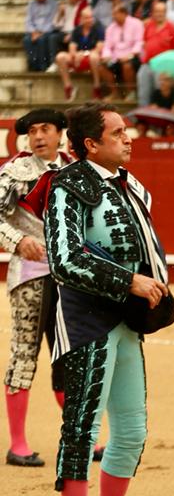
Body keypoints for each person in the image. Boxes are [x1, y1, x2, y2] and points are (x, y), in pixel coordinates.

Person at [45, 105, 169, 496]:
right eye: (118, 133)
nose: (129, 138)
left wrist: (150, 288)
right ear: (91, 144)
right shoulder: (68, 185)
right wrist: (129, 282)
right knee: (80, 430)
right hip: (85, 319)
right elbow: (63, 258)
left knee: (133, 429)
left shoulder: (132, 185)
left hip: (125, 320)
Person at [0, 110, 66, 467]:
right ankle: (18, 443)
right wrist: (17, 239)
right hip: (29, 275)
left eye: (46, 129)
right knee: (24, 355)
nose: (38, 136)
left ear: (60, 134)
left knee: (68, 358)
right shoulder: (14, 172)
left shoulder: (75, 170)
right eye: (32, 132)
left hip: (70, 278)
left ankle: (76, 438)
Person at [23, 0, 60, 73]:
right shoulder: (31, 4)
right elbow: (28, 20)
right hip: (34, 31)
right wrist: (33, 32)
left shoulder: (54, 3)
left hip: (47, 31)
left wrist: (41, 32)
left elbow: (52, 21)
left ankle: (42, 67)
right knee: (26, 40)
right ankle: (33, 64)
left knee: (42, 40)